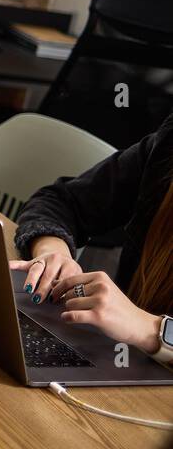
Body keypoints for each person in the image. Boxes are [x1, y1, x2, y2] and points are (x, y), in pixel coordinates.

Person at [12, 110, 173, 356]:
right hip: (123, 357)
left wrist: (151, 330)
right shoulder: (167, 145)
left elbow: (144, 328)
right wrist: (54, 252)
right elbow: (63, 201)